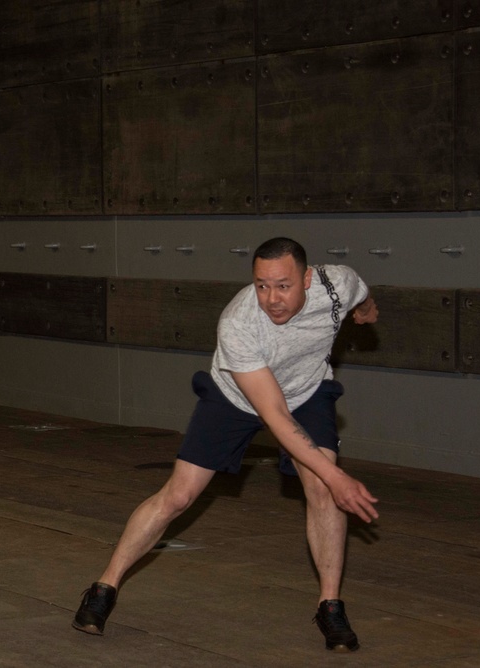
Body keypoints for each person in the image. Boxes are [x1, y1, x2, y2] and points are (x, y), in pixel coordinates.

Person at [72, 236, 380, 652]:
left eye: (284, 285)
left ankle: (330, 606)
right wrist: (336, 474)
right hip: (237, 397)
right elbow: (274, 417)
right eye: (261, 285)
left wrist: (364, 310)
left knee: (323, 494)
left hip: (306, 391)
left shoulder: (336, 284)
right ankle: (104, 588)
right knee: (178, 496)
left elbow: (360, 293)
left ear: (307, 278)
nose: (272, 298)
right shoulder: (239, 323)